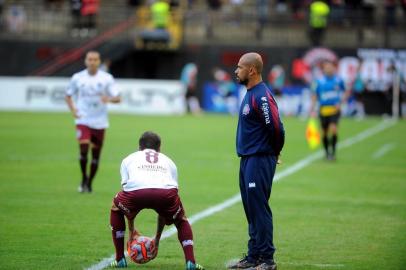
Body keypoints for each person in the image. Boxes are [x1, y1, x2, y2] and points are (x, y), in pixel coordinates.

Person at [109, 131, 204, 270]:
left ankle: (119, 259)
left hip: (136, 191)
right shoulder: (169, 161)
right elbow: (165, 207)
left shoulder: (128, 159)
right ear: (159, 148)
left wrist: (131, 232)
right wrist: (157, 240)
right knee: (181, 219)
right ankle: (191, 262)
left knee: (116, 208)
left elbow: (127, 193)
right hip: (166, 193)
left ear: (139, 147)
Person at [229, 52, 285, 270]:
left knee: (259, 208)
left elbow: (277, 127)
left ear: (251, 70)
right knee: (251, 209)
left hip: (259, 159)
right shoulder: (250, 93)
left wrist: (275, 151)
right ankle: (253, 256)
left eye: (240, 67)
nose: (236, 71)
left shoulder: (261, 96)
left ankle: (267, 259)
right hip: (247, 159)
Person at [65, 51, 121, 193]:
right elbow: (68, 95)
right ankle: (84, 177)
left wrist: (108, 99)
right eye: (90, 59)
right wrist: (73, 110)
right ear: (85, 61)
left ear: (99, 61)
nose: (92, 62)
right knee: (84, 150)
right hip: (83, 119)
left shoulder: (107, 78)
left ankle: (89, 182)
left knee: (95, 155)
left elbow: (118, 98)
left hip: (100, 121)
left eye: (95, 60)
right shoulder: (78, 78)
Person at [310, 60, 349, 160]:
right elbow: (314, 95)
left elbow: (346, 91)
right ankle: (327, 153)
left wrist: (341, 103)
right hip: (323, 109)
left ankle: (333, 153)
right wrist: (312, 108)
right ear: (324, 69)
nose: (329, 69)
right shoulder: (319, 81)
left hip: (334, 109)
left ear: (334, 68)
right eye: (327, 67)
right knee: (324, 132)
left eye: (331, 67)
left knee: (333, 129)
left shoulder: (338, 80)